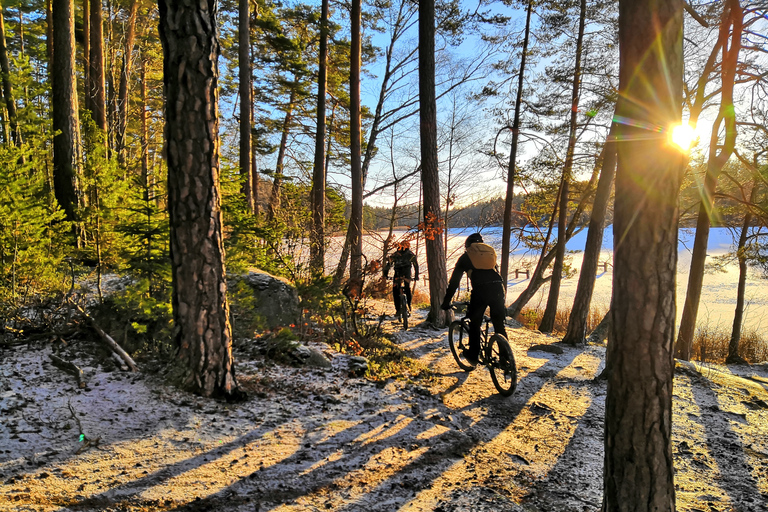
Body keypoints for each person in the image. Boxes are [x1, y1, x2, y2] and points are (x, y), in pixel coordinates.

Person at [440, 233, 507, 366]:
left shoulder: (466, 257)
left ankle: (473, 355)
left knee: (475, 322)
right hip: (498, 289)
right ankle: (506, 360)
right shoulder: (490, 253)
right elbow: (496, 273)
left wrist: (446, 302)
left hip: (481, 291)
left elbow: (454, 282)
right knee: (499, 324)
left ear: (468, 246)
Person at [383, 240, 419, 320]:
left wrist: (385, 274)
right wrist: (416, 276)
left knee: (395, 291)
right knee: (407, 289)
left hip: (398, 274)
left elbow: (388, 265)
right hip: (406, 275)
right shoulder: (410, 254)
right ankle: (409, 306)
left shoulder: (396, 255)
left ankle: (398, 310)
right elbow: (416, 265)